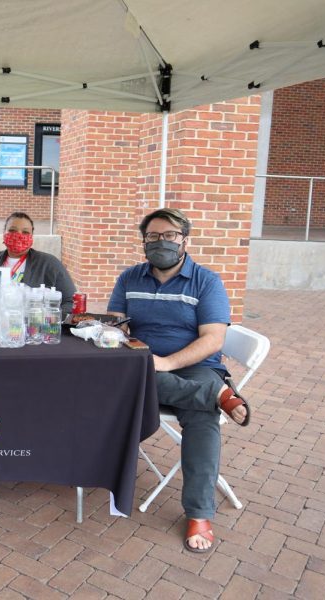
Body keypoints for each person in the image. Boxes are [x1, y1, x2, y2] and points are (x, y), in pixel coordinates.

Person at [107, 207, 250, 554]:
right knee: (118, 381)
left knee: (201, 422)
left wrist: (167, 362)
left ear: (185, 240)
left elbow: (214, 340)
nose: (161, 242)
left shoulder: (207, 281)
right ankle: (215, 395)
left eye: (169, 235)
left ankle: (199, 514)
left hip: (194, 365)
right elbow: (115, 324)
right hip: (144, 366)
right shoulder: (129, 278)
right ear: (143, 241)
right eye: (153, 236)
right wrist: (116, 332)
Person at [0, 211, 77, 313]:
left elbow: (71, 301)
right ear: (4, 233)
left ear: (31, 236)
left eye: (25, 232)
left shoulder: (49, 264)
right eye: (12, 230)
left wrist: (48, 318)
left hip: (34, 327)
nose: (18, 236)